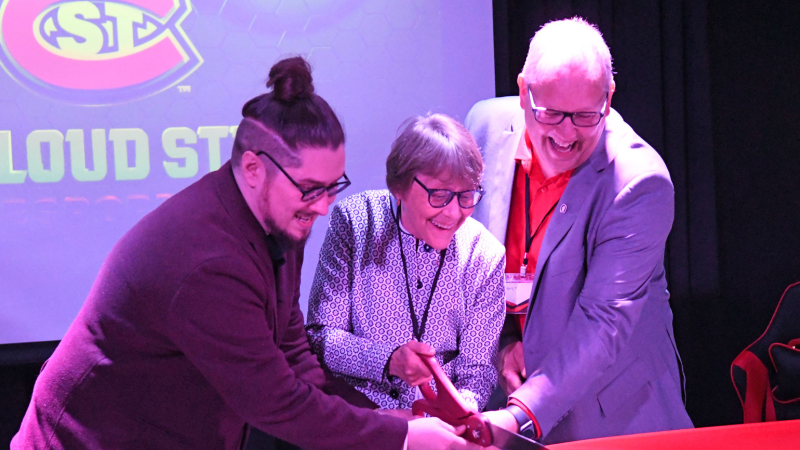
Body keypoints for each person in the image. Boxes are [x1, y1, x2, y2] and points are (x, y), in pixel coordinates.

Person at [12, 57, 480, 450]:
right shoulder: (208, 261)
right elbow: (276, 402)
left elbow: (292, 349)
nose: (323, 206)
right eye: (310, 189)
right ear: (254, 168)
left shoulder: (278, 218)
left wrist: (385, 416)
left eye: (333, 186)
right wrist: (399, 435)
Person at [468, 18, 694, 443]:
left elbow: (602, 321)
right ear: (523, 91)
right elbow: (470, 257)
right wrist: (503, 343)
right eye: (551, 113)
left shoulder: (640, 183)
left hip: (616, 414)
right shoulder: (484, 125)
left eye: (586, 116)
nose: (566, 134)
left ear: (608, 98)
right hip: (512, 391)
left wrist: (519, 414)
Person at [306, 114, 505, 413]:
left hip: (442, 427)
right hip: (361, 416)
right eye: (439, 195)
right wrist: (388, 360)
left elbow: (477, 372)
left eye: (466, 196)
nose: (453, 213)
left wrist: (455, 417)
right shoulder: (356, 222)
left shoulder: (485, 255)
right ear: (399, 187)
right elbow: (320, 338)